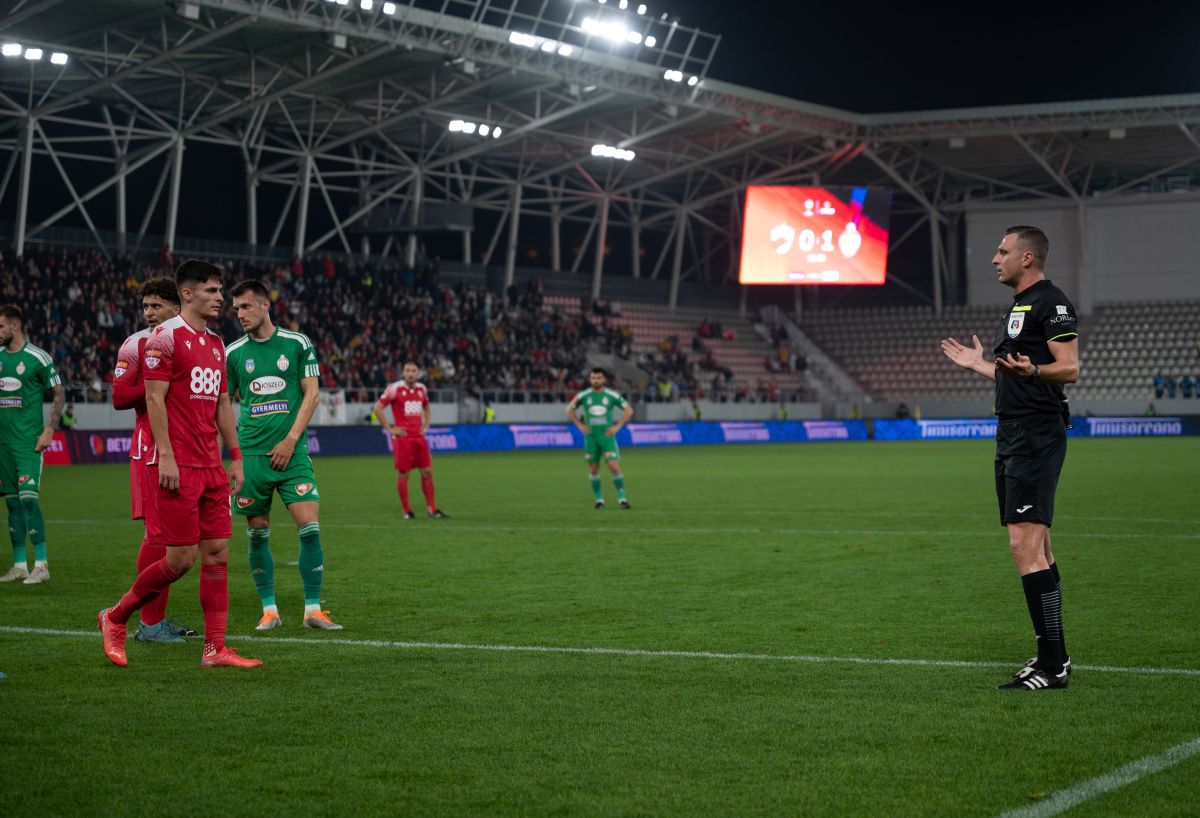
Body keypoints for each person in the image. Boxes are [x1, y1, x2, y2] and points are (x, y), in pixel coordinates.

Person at [98, 260, 262, 669]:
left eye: (220, 290)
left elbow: (223, 402)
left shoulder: (216, 344)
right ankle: (116, 616)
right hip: (175, 463)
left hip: (210, 464)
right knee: (179, 560)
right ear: (187, 295)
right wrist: (167, 456)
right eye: (211, 290)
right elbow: (152, 399)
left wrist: (235, 457)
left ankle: (215, 649)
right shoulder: (163, 340)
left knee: (218, 555)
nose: (220, 297)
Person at [940, 225, 1078, 691]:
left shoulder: (1050, 302)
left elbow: (1071, 368)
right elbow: (1014, 374)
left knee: (1025, 549)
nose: (994, 259)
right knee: (1038, 549)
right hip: (1013, 433)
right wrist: (980, 366)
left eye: (1002, 251)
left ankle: (1052, 665)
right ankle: (1053, 656)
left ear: (1027, 258)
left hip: (1035, 435)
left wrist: (1036, 369)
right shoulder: (1018, 306)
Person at [225, 279, 341, 631]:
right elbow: (221, 405)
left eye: (246, 307)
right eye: (236, 310)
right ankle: (270, 610)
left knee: (310, 528)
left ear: (264, 304)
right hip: (252, 458)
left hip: (293, 456)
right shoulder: (232, 354)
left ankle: (312, 611)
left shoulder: (297, 343)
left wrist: (291, 439)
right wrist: (233, 456)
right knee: (257, 533)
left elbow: (312, 395)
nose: (240, 314)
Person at [110, 277, 197, 644]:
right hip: (150, 449)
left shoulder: (188, 341)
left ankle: (153, 620)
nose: (149, 313)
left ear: (176, 308)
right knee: (159, 536)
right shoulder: (135, 344)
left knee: (175, 540)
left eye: (156, 306)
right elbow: (118, 397)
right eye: (145, 306)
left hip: (184, 448)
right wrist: (153, 385)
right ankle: (148, 623)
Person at [0, 305, 64, 585]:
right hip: (3, 445)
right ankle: (19, 565)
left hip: (29, 443)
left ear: (15, 326)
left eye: (1, 326)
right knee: (12, 505)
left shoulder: (38, 357)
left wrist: (49, 429)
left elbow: (59, 393)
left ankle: (41, 564)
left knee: (28, 498)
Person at [373, 362, 448, 520]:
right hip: (403, 439)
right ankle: (407, 511)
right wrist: (390, 429)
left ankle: (431, 509)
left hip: (419, 438)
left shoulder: (422, 389)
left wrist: (426, 425)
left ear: (418, 373)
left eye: (414, 371)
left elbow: (427, 407)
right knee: (404, 473)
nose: (411, 373)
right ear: (403, 373)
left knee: (427, 471)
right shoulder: (394, 389)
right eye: (407, 370)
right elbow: (378, 408)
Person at [567, 367, 633, 509]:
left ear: (604, 380)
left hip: (606, 436)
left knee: (614, 466)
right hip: (591, 437)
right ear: (590, 379)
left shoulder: (611, 395)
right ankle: (599, 500)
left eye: (598, 378)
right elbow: (569, 408)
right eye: (593, 378)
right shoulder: (584, 395)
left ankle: (622, 499)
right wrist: (579, 425)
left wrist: (618, 426)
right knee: (594, 469)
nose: (595, 380)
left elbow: (629, 410)